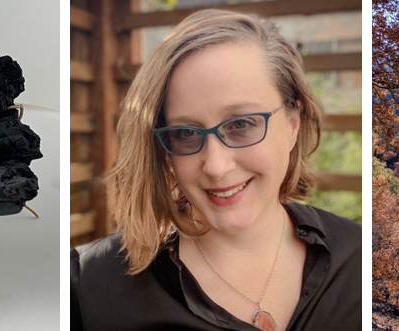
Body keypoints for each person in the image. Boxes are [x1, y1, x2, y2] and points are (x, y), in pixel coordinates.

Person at [70, 9, 361, 331]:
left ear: (293, 124)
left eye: (241, 124)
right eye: (185, 133)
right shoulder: (88, 286)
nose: (216, 166)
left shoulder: (359, 258)